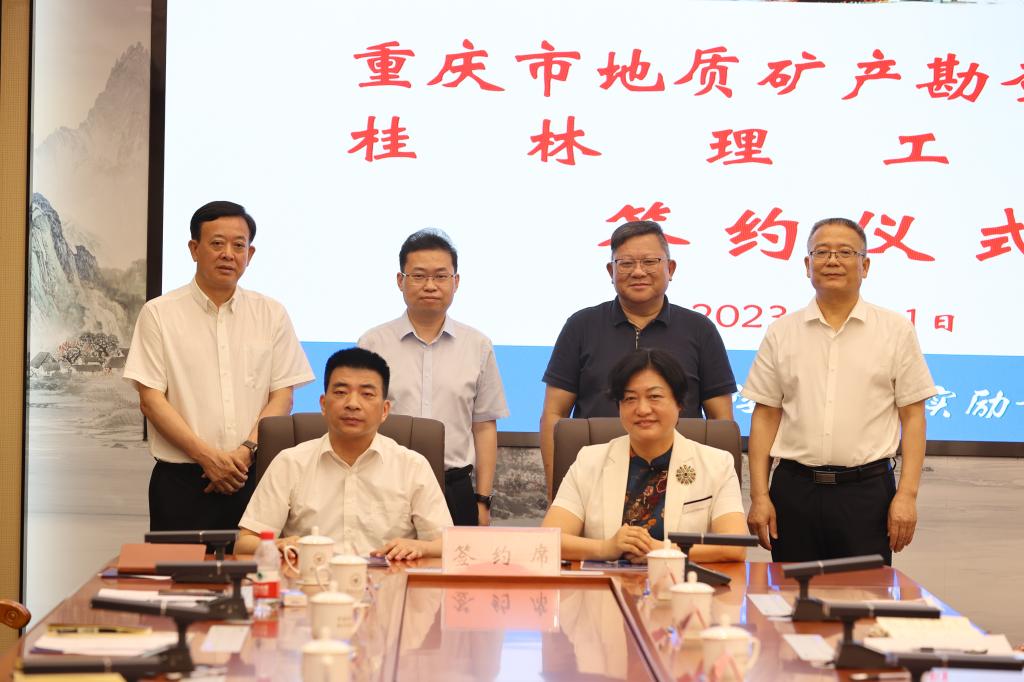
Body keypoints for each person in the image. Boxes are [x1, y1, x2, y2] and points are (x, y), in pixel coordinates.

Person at [743, 217, 937, 565]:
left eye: (845, 252)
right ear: (807, 265)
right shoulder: (782, 332)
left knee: (864, 594)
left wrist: (907, 495)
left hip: (866, 494)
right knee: (791, 594)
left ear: (865, 265)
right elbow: (765, 416)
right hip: (794, 491)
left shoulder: (895, 330)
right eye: (822, 252)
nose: (832, 261)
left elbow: (913, 417)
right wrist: (759, 495)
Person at [124, 200, 314, 532]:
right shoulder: (159, 313)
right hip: (182, 482)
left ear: (250, 254)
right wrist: (207, 457)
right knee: (176, 567)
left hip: (252, 477)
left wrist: (245, 452)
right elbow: (151, 400)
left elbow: (282, 397)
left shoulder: (271, 314)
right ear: (194, 249)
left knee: (256, 564)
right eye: (216, 243)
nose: (228, 254)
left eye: (238, 246)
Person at [540, 220, 736, 498]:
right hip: (594, 482)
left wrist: (718, 495)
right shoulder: (581, 326)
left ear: (670, 269)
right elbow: (553, 414)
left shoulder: (699, 329)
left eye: (650, 261)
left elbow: (721, 422)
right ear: (611, 271)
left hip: (682, 483)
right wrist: (557, 491)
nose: (638, 271)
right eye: (626, 263)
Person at [235, 347, 452, 559]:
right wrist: (278, 544)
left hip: (388, 580)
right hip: (309, 579)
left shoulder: (412, 466)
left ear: (384, 410)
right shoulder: (290, 462)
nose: (352, 404)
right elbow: (244, 543)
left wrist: (420, 547)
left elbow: (447, 544)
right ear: (323, 404)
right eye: (340, 392)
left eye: (367, 394)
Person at [359, 229, 508, 527]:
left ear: (456, 282)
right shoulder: (373, 344)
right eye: (418, 276)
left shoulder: (478, 345)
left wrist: (482, 499)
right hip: (385, 485)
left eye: (441, 276)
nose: (430, 285)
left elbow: (483, 427)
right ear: (400, 280)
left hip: (454, 487)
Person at [542, 349, 747, 563]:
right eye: (630, 398)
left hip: (681, 582)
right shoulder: (589, 461)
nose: (642, 409)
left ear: (679, 403)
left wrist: (660, 550)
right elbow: (549, 540)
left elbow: (735, 547)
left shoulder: (717, 464)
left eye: (654, 396)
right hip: (606, 581)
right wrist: (605, 548)